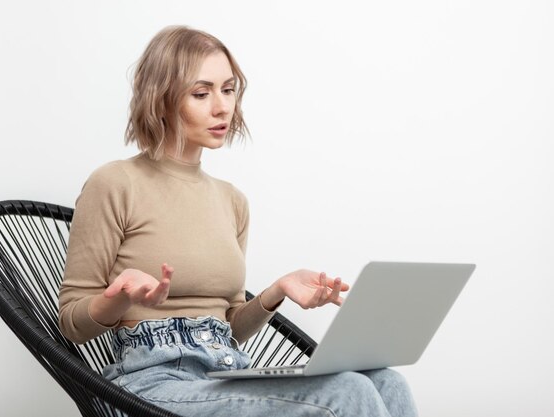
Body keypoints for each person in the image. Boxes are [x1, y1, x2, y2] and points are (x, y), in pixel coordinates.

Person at [59, 25, 418, 417]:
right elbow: (72, 322)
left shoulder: (232, 201)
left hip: (225, 374)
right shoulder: (114, 183)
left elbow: (229, 329)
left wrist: (274, 292)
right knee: (346, 391)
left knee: (386, 381)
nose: (222, 107)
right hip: (150, 386)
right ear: (160, 100)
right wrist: (119, 298)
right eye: (201, 93)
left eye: (228, 90)